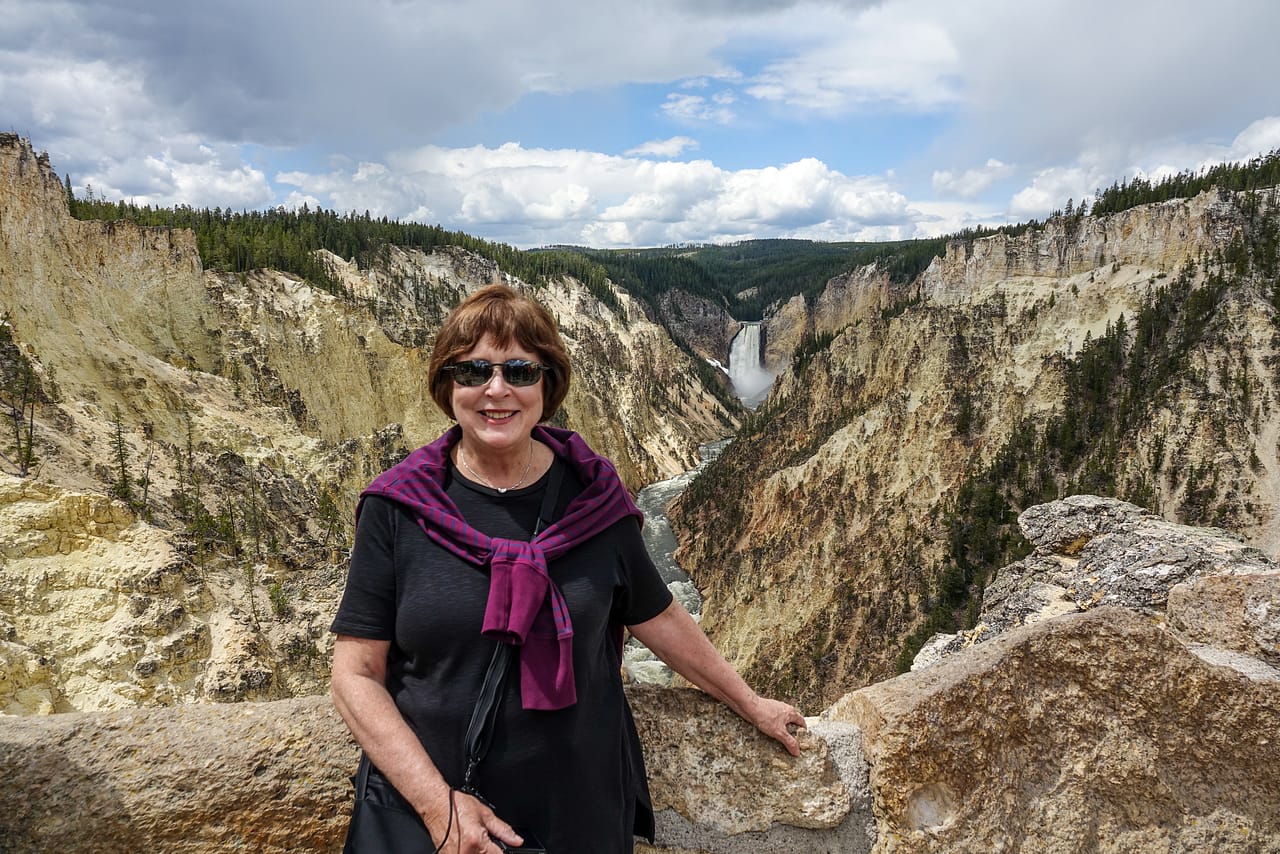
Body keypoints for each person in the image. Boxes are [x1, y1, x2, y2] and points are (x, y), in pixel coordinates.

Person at [330, 283, 805, 854]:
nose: (496, 389)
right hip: (441, 819)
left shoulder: (593, 498)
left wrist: (750, 703)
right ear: (447, 384)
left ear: (547, 383)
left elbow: (657, 615)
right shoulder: (398, 508)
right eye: (474, 370)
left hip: (579, 811)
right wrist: (438, 807)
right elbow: (355, 675)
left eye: (520, 371)